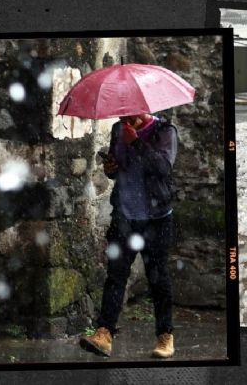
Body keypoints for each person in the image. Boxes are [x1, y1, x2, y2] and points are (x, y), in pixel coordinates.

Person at [80, 112, 178, 359]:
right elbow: (117, 170)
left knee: (158, 278)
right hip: (124, 214)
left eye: (129, 110)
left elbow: (163, 168)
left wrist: (135, 141)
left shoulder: (165, 131)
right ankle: (104, 333)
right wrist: (110, 167)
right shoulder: (117, 130)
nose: (124, 115)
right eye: (121, 111)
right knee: (115, 276)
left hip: (156, 218)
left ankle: (165, 336)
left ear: (143, 107)